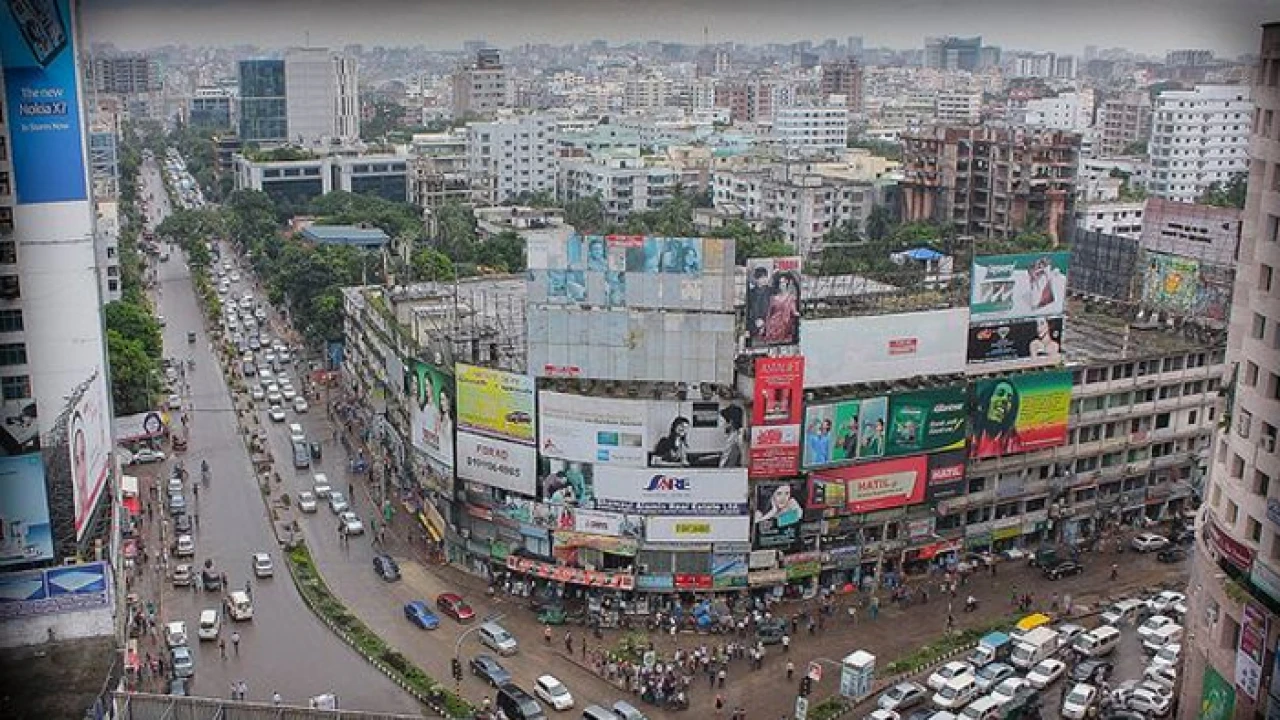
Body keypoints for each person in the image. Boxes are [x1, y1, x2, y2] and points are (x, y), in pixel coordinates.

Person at [969, 380, 1023, 458]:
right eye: (1000, 393)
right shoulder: (972, 430)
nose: (1005, 400)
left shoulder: (1012, 439)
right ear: (988, 399)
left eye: (1010, 399)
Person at [762, 271, 800, 345]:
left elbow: (794, 311)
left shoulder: (791, 297)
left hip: (785, 326)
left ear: (787, 283)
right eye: (780, 282)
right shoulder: (773, 298)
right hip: (773, 326)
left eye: (783, 282)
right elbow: (769, 314)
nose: (782, 284)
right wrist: (765, 327)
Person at [746, 265, 773, 344]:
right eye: (761, 277)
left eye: (765, 277)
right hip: (753, 327)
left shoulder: (771, 291)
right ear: (756, 279)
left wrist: (764, 321)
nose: (764, 279)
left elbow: (774, 309)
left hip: (768, 327)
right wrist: (749, 326)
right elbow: (748, 311)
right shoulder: (751, 293)